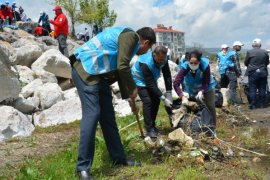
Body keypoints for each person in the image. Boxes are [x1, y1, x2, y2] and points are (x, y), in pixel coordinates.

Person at [70, 26, 156, 179]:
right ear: (146, 42)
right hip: (85, 69)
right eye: (148, 49)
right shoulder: (131, 37)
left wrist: (130, 98)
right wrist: (133, 88)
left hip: (99, 76)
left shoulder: (127, 44)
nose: (145, 53)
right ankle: (82, 168)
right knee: (93, 113)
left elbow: (120, 69)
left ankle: (118, 158)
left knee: (108, 118)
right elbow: (123, 66)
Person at [131, 46, 172, 138]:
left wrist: (169, 92)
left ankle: (152, 125)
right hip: (139, 79)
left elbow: (167, 75)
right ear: (154, 55)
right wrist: (163, 98)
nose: (162, 61)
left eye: (163, 59)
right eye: (160, 59)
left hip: (152, 79)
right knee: (148, 101)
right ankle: (149, 129)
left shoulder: (163, 59)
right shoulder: (145, 62)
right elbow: (150, 84)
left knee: (156, 100)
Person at [173, 50, 217, 131]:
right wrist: (182, 96)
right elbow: (176, 83)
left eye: (195, 63)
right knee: (193, 106)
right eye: (191, 63)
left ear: (199, 61)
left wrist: (201, 91)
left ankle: (212, 128)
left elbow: (206, 82)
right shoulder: (185, 67)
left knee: (210, 106)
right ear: (188, 61)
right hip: (191, 87)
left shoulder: (205, 66)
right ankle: (195, 127)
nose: (193, 65)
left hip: (207, 87)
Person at [244, 38, 269, 109]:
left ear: (252, 45)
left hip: (252, 72)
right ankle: (262, 105)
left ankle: (253, 105)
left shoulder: (249, 52)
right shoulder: (265, 52)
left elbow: (246, 62)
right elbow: (267, 62)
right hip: (263, 72)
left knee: (252, 89)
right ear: (260, 45)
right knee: (262, 89)